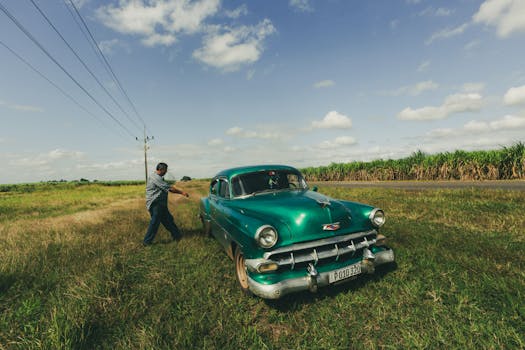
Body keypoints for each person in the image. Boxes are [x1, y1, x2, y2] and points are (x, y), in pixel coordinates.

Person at [143, 162, 189, 246]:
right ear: (161, 169)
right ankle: (147, 242)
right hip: (155, 204)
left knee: (168, 220)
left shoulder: (159, 177)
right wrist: (182, 192)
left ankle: (177, 236)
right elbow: (169, 188)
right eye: (165, 170)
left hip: (161, 204)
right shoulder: (155, 177)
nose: (166, 172)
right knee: (155, 223)